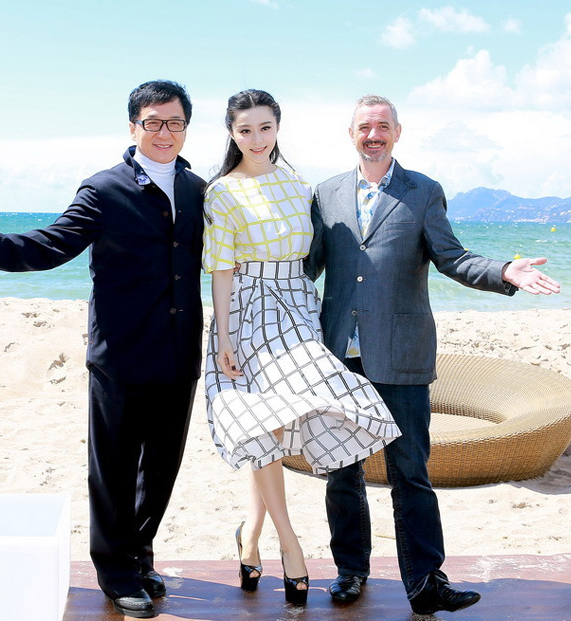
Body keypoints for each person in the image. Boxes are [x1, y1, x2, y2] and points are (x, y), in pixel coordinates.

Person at [0, 80, 205, 619]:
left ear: (186, 127)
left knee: (164, 466)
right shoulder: (104, 189)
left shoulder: (199, 190)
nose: (164, 132)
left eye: (174, 122)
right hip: (121, 353)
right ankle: (115, 569)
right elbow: (53, 244)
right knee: (115, 467)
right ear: (133, 128)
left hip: (179, 349)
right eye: (153, 122)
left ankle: (140, 554)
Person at [304, 95, 561, 616]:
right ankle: (350, 571)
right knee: (341, 472)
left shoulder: (423, 191)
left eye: (382, 126)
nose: (373, 135)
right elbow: (306, 265)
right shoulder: (325, 193)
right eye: (363, 127)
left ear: (398, 132)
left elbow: (453, 257)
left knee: (410, 472)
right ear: (349, 133)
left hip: (401, 355)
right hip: (338, 356)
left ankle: (426, 583)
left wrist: (505, 270)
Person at [202, 89, 401, 607]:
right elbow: (221, 269)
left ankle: (249, 535)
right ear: (231, 133)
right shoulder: (221, 191)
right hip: (247, 309)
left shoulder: (299, 186)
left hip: (298, 304)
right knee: (260, 422)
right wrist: (223, 335)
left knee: (284, 417)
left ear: (278, 128)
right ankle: (289, 545)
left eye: (265, 128)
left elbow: (318, 254)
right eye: (245, 130)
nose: (256, 139)